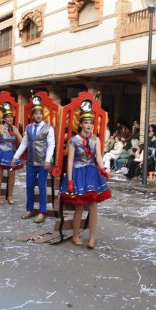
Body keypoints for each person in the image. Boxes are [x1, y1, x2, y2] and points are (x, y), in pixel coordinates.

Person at [59, 101, 111, 248]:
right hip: (78, 173)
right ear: (81, 124)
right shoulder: (73, 141)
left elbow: (99, 157)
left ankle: (92, 237)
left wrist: (103, 170)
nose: (89, 125)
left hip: (92, 173)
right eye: (86, 122)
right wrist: (69, 180)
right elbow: (69, 162)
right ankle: (75, 235)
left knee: (93, 206)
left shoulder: (95, 140)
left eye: (91, 123)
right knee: (79, 207)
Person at [13, 97, 55, 223]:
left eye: (40, 113)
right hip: (31, 162)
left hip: (43, 163)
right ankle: (30, 209)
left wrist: (48, 160)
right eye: (36, 113)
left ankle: (42, 211)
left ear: (43, 115)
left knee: (42, 186)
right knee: (29, 186)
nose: (38, 115)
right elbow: (24, 143)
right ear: (33, 115)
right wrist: (15, 156)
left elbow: (51, 145)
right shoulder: (28, 128)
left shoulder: (49, 128)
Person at [0, 102, 23, 205]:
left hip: (12, 153)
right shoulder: (0, 128)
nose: (10, 119)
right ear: (5, 119)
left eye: (11, 117)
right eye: (8, 117)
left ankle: (10, 196)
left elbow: (22, 141)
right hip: (1, 152)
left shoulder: (15, 129)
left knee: (12, 175)